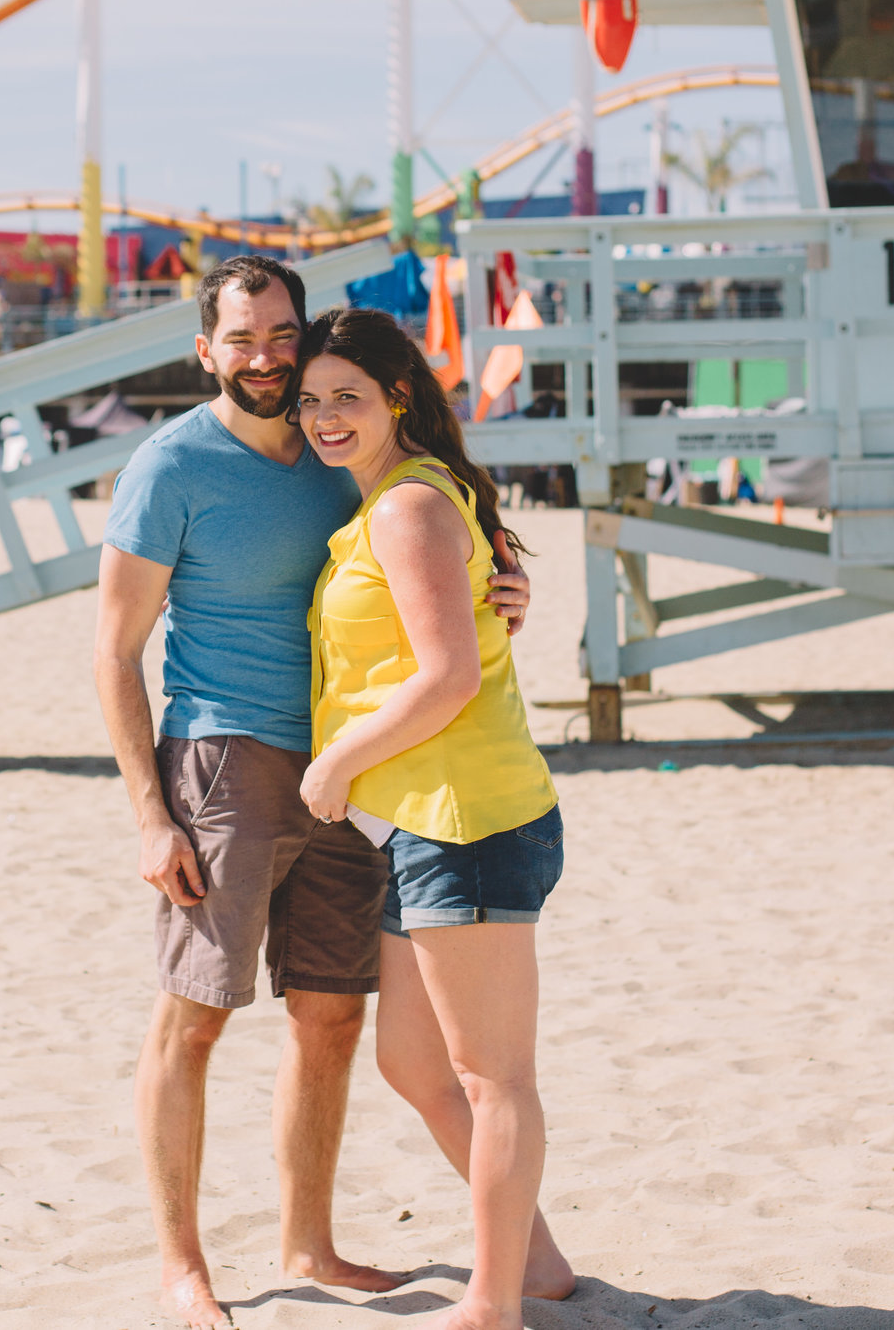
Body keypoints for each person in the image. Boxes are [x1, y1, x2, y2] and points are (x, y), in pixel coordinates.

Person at [93, 258, 530, 1329]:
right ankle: (180, 1263)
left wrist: (508, 589)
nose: (265, 358)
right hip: (223, 758)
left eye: (280, 334)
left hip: (355, 766)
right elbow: (113, 651)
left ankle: (308, 1240)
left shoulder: (342, 440)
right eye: (240, 340)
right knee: (192, 1022)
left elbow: (434, 546)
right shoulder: (169, 466)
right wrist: (151, 813)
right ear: (205, 350)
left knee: (331, 1017)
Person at [295, 306, 572, 1330]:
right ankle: (534, 1260)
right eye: (313, 398)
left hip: (469, 814)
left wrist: (337, 759)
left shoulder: (409, 506)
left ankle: (493, 1301)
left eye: (347, 396)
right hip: (418, 822)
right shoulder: (400, 499)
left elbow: (450, 674)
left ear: (397, 395)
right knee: (411, 1060)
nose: (326, 415)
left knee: (493, 1076)